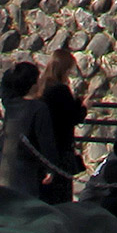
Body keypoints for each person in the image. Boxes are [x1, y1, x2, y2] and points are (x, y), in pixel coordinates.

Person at [0, 62, 75, 199]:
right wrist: (51, 168)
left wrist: (12, 71)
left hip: (5, 163)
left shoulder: (11, 103)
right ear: (33, 83)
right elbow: (46, 141)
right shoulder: (39, 109)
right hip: (28, 169)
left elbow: (4, 87)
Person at [36, 47, 88, 207]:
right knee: (61, 198)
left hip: (43, 148)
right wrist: (84, 106)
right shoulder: (60, 90)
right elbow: (71, 117)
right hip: (61, 149)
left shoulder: (42, 87)